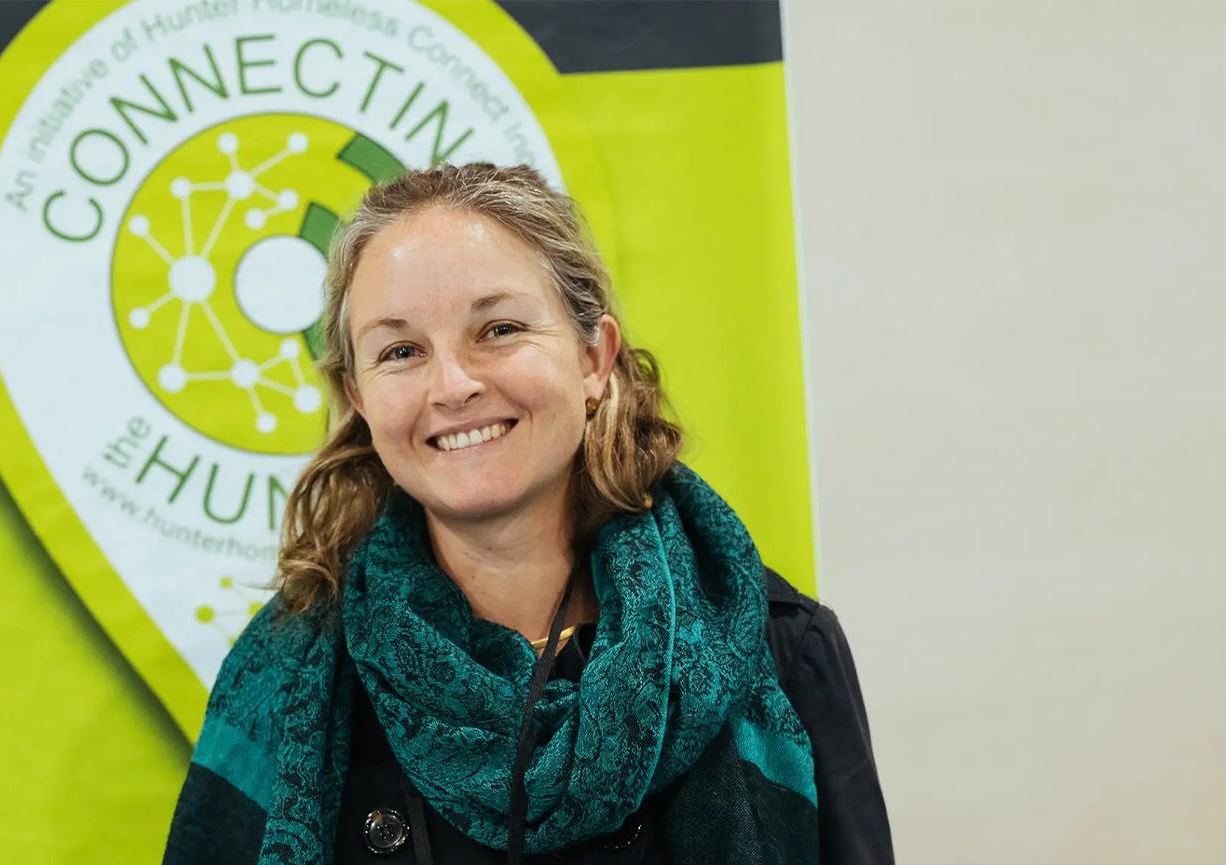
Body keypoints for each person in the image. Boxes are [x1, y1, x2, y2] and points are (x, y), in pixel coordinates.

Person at [161, 163, 893, 864]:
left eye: (499, 330)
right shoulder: (290, 676)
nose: (452, 385)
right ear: (358, 397)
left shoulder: (778, 647)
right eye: (401, 350)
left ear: (593, 357)